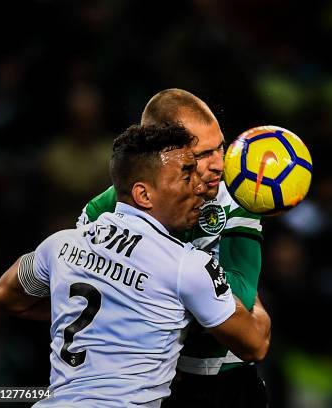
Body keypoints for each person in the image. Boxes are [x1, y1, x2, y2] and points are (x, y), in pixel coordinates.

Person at [0, 124, 271, 407]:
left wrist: (110, 321)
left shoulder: (61, 245)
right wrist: (253, 295)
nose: (199, 187)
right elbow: (256, 343)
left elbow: (5, 296)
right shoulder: (186, 266)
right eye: (186, 176)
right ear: (144, 195)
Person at [78, 89, 267, 407]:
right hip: (145, 384)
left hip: (227, 380)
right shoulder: (101, 212)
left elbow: (242, 297)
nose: (220, 164)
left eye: (221, 147)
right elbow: (85, 299)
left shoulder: (239, 194)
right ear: (168, 153)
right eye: (205, 153)